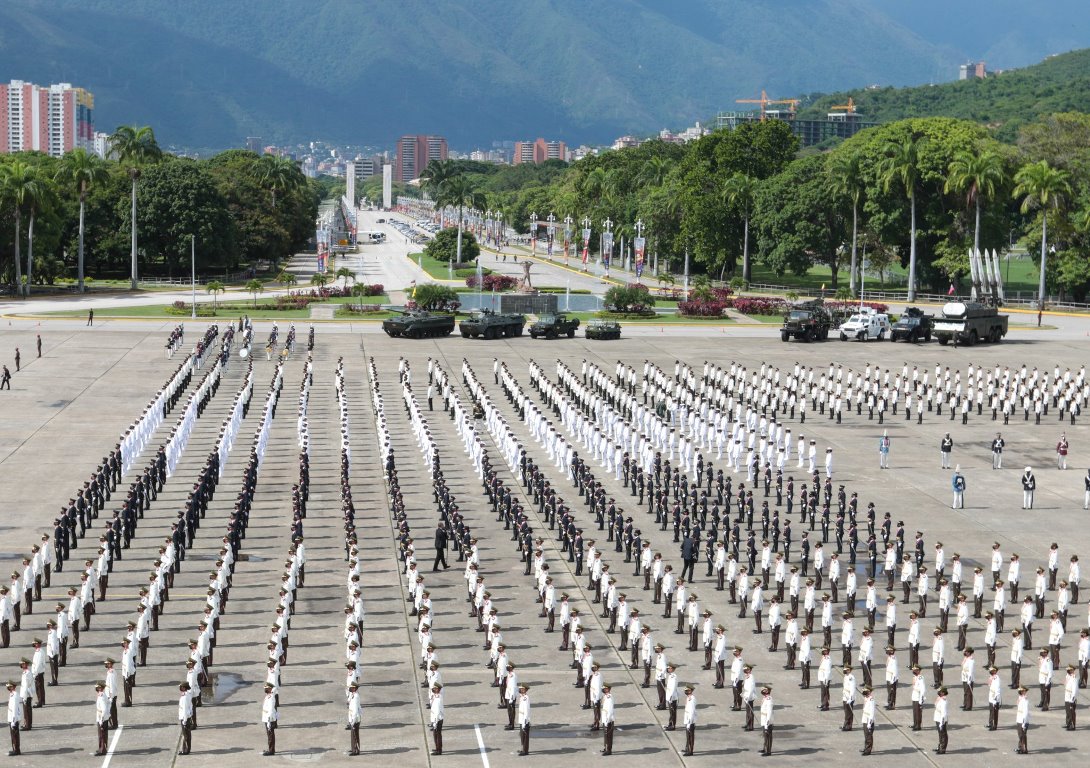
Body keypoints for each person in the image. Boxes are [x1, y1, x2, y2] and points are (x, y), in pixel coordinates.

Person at [261, 682, 277, 756]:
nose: (265, 689)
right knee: (269, 735)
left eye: (267, 688)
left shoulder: (270, 698)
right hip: (267, 718)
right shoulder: (268, 696)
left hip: (269, 719)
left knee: (270, 735)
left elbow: (270, 710)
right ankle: (271, 748)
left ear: (270, 689)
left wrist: (269, 721)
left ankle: (271, 751)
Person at [94, 680, 110, 756]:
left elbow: (103, 709)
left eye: (97, 687)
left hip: (102, 717)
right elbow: (108, 704)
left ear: (100, 688)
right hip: (102, 716)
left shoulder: (102, 696)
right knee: (102, 734)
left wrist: (101, 720)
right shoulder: (102, 695)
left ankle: (102, 750)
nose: (96, 689)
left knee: (102, 734)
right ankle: (102, 748)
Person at [6, 680, 20, 756]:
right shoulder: (12, 694)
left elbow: (14, 709)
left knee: (15, 735)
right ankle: (15, 749)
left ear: (13, 687)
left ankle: (16, 750)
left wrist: (13, 721)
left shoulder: (14, 696)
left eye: (10, 687)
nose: (8, 688)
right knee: (13, 734)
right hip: (12, 717)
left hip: (13, 718)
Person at [178, 682, 193, 755]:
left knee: (185, 735)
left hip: (184, 718)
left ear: (184, 688)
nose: (180, 688)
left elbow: (184, 709)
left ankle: (185, 750)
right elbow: (191, 706)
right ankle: (188, 749)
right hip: (187, 717)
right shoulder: (188, 694)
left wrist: (184, 721)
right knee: (188, 734)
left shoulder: (185, 697)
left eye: (181, 687)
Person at [347, 682, 361, 755]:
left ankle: (356, 750)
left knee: (355, 735)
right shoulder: (353, 695)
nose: (350, 688)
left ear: (354, 688)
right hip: (352, 717)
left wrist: (353, 720)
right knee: (353, 734)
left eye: (351, 687)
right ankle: (353, 748)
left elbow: (355, 710)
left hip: (355, 718)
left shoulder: (355, 697)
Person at [600, 683, 615, 755]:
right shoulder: (606, 696)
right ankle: (605, 748)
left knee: (608, 735)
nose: (603, 689)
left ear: (608, 689)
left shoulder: (609, 698)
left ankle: (609, 750)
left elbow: (609, 710)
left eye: (604, 688)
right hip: (605, 718)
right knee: (605, 734)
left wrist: (607, 720)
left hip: (608, 720)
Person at [682, 684, 697, 756]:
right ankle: (687, 748)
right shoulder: (689, 698)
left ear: (691, 690)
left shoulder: (692, 699)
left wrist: (689, 722)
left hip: (690, 721)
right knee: (688, 735)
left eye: (687, 690)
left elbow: (691, 711)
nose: (686, 691)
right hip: (688, 720)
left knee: (690, 736)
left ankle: (690, 751)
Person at [933, 686, 949, 754]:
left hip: (941, 720)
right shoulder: (940, 699)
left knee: (943, 734)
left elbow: (944, 713)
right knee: (940, 734)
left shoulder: (943, 701)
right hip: (937, 718)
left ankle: (943, 749)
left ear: (943, 693)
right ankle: (940, 746)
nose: (938, 692)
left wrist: (941, 723)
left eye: (940, 691)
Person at [861, 686, 876, 755]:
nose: (864, 691)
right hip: (865, 719)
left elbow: (872, 712)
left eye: (866, 690)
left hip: (869, 720)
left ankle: (868, 750)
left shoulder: (871, 700)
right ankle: (866, 747)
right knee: (866, 735)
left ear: (869, 691)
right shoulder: (866, 698)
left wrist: (869, 723)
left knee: (869, 735)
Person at [759, 686, 774, 756]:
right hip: (763, 718)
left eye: (764, 690)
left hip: (767, 720)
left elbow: (769, 711)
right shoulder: (765, 698)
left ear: (767, 691)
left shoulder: (769, 699)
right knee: (765, 735)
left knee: (768, 735)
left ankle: (768, 751)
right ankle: (764, 748)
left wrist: (767, 722)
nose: (762, 691)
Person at [516, 683, 530, 756]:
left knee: (525, 736)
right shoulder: (522, 697)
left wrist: (524, 723)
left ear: (524, 689)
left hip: (524, 720)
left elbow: (526, 711)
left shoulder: (525, 698)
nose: (520, 689)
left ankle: (525, 750)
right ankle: (522, 749)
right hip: (522, 719)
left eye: (521, 688)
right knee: (522, 736)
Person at [429, 683, 443, 755]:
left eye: (435, 688)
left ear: (438, 690)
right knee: (435, 734)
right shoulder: (436, 696)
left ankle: (439, 750)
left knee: (438, 735)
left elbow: (437, 710)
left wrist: (435, 721)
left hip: (437, 719)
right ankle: (437, 748)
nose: (434, 689)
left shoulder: (438, 698)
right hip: (436, 719)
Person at [1015, 685, 1030, 753]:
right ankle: (1020, 747)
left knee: (1022, 735)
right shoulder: (1020, 698)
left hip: (1023, 720)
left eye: (1021, 691)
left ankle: (1024, 749)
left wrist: (1024, 723)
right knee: (1020, 734)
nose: (1019, 691)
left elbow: (1026, 712)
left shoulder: (1025, 700)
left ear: (1024, 691)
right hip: (1019, 719)